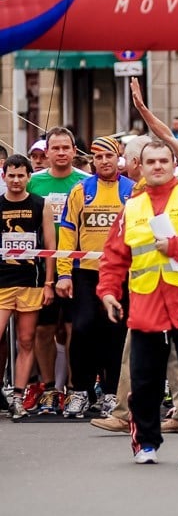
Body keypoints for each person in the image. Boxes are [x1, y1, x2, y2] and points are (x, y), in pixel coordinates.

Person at [97, 140, 178, 467]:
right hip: (147, 304)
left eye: (163, 160)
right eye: (150, 161)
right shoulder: (132, 206)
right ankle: (145, 443)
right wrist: (108, 291)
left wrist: (176, 245)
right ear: (140, 165)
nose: (157, 166)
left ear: (173, 163)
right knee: (143, 381)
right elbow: (114, 256)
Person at [57, 137, 135, 419]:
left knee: (116, 332)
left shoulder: (132, 191)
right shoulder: (81, 190)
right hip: (87, 273)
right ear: (92, 161)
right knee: (83, 327)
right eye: (98, 157)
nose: (104, 162)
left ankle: (113, 393)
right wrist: (64, 274)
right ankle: (80, 390)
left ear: (118, 159)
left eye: (109, 156)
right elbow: (67, 234)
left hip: (122, 273)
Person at [26, 126, 88, 415]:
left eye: (66, 148)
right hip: (40, 269)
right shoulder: (33, 182)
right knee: (43, 329)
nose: (61, 153)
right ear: (46, 151)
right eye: (56, 148)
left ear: (74, 152)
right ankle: (50, 389)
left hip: (78, 268)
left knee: (74, 328)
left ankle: (77, 389)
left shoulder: (87, 182)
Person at [3, 155, 55, 420]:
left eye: (21, 175)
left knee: (26, 340)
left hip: (30, 282)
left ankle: (17, 396)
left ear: (28, 177)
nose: (16, 180)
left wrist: (49, 283)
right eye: (11, 175)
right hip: (1, 283)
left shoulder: (40, 204)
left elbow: (50, 248)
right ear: (4, 177)